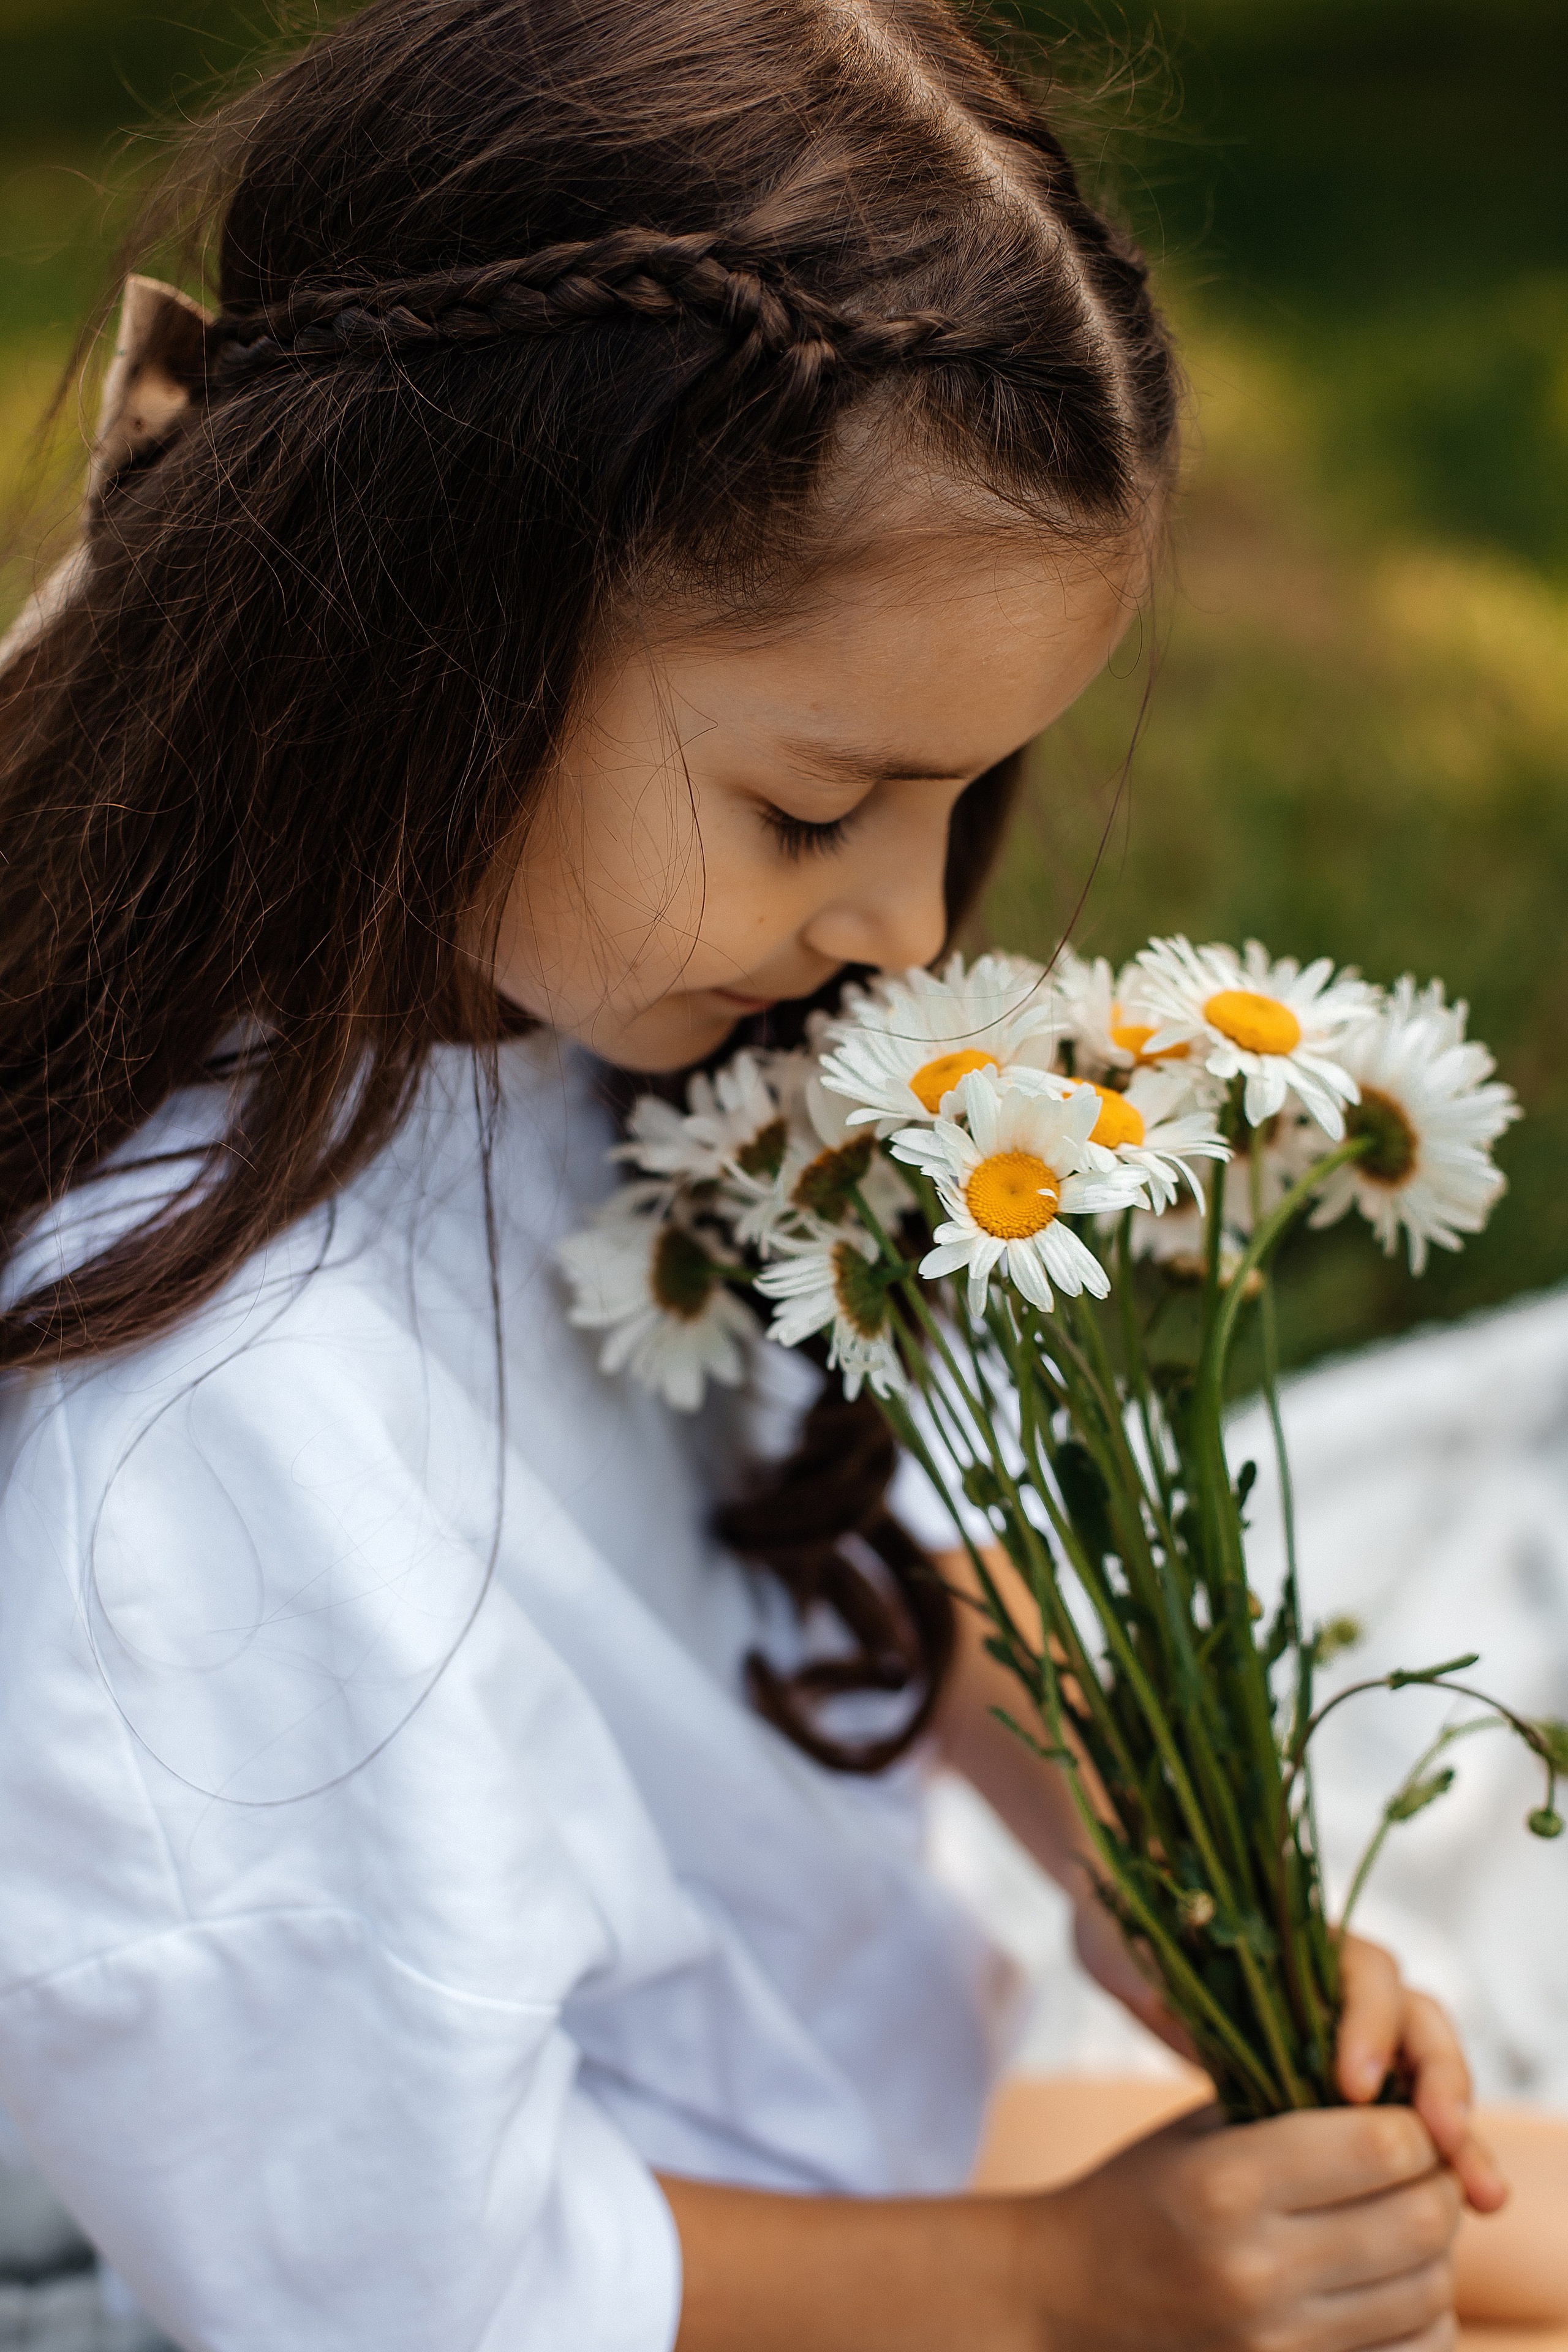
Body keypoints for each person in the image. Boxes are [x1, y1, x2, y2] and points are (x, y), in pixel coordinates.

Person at [0, 3, 1518, 2345]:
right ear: (430, 638)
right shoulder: (189, 1455)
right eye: (820, 809)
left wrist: (1146, 1859)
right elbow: (414, 2283)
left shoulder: (568, 1017)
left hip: (870, 2108)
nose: (910, 934)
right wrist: (1053, 2287)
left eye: (961, 800)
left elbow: (846, 1517)